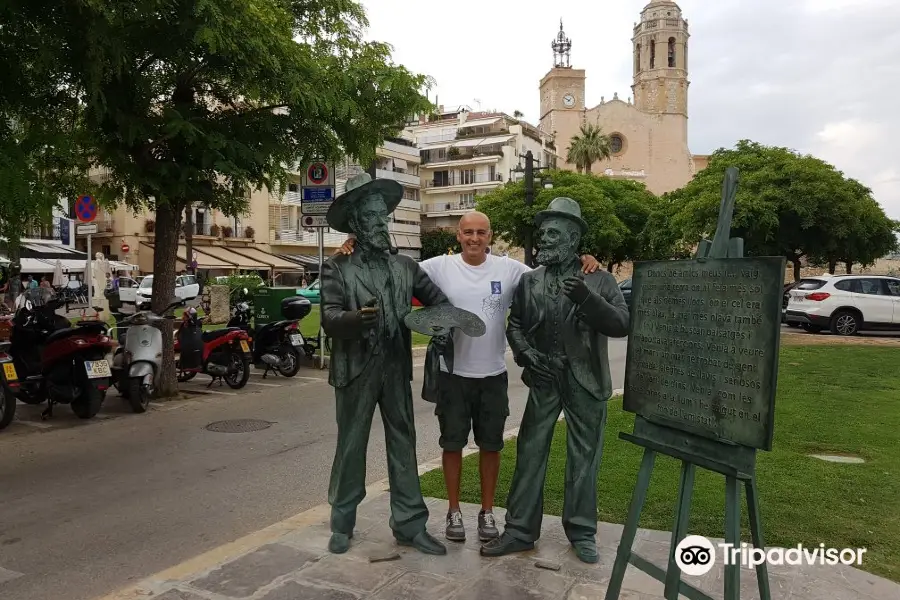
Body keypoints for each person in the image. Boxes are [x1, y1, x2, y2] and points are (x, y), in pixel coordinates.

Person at [338, 210, 600, 543]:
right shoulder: (438, 267)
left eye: (481, 232)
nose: (474, 238)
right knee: (452, 445)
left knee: (490, 447)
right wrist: (354, 246)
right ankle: (453, 510)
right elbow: (392, 267)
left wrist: (584, 259)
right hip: (453, 375)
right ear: (458, 236)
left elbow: (551, 270)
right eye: (468, 233)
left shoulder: (510, 270)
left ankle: (487, 511)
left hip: (493, 374)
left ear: (490, 236)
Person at [479, 197, 629, 564]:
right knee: (530, 452)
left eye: (553, 233)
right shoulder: (530, 282)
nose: (543, 238)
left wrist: (586, 298)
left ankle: (581, 532)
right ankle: (519, 530)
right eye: (543, 232)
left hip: (586, 380)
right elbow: (514, 325)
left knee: (584, 457)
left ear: (573, 238)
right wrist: (528, 356)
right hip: (545, 378)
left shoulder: (600, 278)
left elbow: (621, 325)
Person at [320, 173, 450, 557]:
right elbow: (328, 316)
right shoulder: (337, 268)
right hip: (355, 369)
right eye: (373, 218)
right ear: (357, 224)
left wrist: (435, 326)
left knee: (403, 443)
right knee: (350, 446)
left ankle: (410, 525)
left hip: (394, 368)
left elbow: (438, 303)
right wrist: (353, 320)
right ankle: (342, 522)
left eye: (384, 216)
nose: (381, 224)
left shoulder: (406, 268)